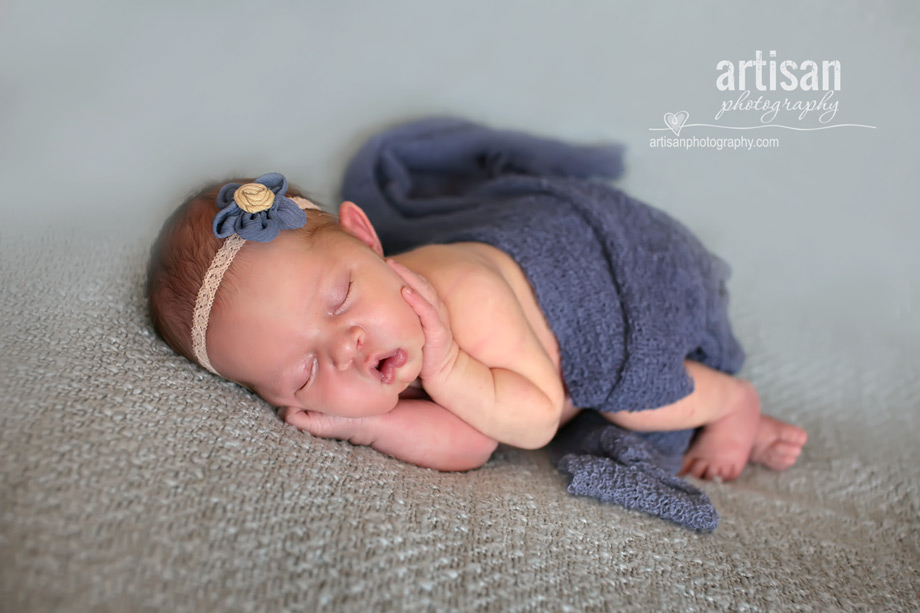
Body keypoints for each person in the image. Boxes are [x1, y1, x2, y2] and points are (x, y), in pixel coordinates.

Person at [147, 172, 806, 477]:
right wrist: (371, 422)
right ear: (280, 398)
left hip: (599, 280)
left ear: (365, 236)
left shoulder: (464, 296)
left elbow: (536, 418)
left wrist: (451, 368)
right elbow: (472, 443)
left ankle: (731, 402)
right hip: (523, 364)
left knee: (631, 399)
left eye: (342, 296)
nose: (343, 347)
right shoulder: (378, 364)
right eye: (303, 370)